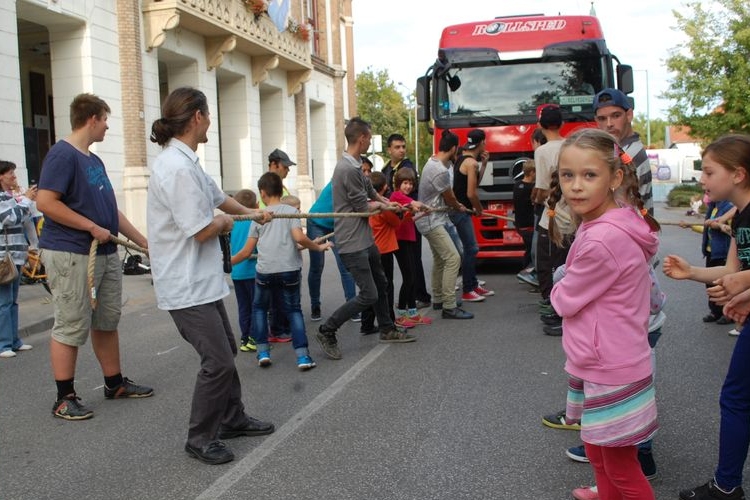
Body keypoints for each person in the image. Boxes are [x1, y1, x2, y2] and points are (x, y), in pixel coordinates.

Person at [148, 86, 274, 465]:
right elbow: (203, 227)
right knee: (217, 361)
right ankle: (200, 438)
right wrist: (225, 222)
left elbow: (220, 197)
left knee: (227, 352)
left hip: (200, 281)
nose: (211, 123)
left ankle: (232, 418)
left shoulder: (188, 162)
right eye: (209, 115)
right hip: (184, 285)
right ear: (198, 117)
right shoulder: (175, 167)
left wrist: (253, 213)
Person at [549, 128, 661, 500]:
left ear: (615, 178)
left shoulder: (601, 238)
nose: (576, 186)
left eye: (589, 175)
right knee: (598, 450)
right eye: (568, 175)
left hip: (610, 363)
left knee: (620, 464)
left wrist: (560, 279)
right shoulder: (613, 221)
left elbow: (564, 300)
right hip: (609, 356)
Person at [36, 93, 153, 420]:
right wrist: (89, 226)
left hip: (104, 252)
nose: (107, 126)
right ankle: (64, 397)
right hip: (71, 253)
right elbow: (45, 202)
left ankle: (114, 383)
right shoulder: (63, 155)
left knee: (107, 320)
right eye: (105, 120)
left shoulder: (93, 160)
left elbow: (110, 211)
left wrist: (142, 242)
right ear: (91, 119)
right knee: (70, 323)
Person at [663, 134, 750, 500]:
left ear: (738, 174)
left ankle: (727, 486)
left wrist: (743, 287)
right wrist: (693, 273)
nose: (702, 179)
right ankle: (726, 483)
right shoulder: (741, 215)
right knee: (737, 397)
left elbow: (741, 274)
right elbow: (731, 268)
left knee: (735, 398)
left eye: (710, 171)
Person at [316, 117, 416, 360]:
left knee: (381, 284)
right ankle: (327, 330)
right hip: (351, 242)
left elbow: (370, 192)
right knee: (369, 294)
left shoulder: (356, 164)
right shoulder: (346, 168)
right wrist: (387, 207)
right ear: (361, 139)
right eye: (369, 139)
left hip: (365, 239)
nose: (370, 142)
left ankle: (387, 328)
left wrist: (387, 201)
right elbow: (362, 204)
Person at [246, 172, 332, 369]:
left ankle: (262, 353)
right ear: (280, 189)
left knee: (259, 309)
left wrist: (229, 261)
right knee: (294, 310)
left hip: (265, 270)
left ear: (262, 193)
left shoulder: (258, 216)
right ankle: (302, 357)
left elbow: (249, 249)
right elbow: (299, 238)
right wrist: (318, 247)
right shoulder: (291, 211)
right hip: (289, 269)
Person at [416, 129, 473, 320]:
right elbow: (450, 199)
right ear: (454, 148)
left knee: (441, 259)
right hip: (432, 221)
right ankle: (449, 306)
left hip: (429, 219)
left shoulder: (431, 161)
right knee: (453, 258)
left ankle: (439, 298)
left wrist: (456, 205)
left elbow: (448, 199)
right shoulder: (440, 171)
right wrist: (459, 207)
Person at [533, 105, 573, 335]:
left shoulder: (543, 151)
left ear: (540, 125)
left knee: (547, 265)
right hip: (575, 214)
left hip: (553, 216)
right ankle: (564, 309)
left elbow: (541, 187)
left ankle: (556, 310)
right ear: (562, 124)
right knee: (569, 265)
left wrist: (535, 199)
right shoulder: (571, 145)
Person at [381, 133, 431, 309]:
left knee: (412, 267)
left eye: (403, 146)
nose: (401, 150)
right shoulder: (387, 170)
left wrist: (418, 209)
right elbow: (393, 196)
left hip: (408, 226)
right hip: (396, 231)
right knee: (404, 272)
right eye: (397, 147)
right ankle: (405, 307)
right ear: (389, 149)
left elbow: (410, 201)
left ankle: (416, 303)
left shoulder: (407, 166)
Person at [361, 171, 410, 332]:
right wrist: (401, 213)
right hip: (384, 249)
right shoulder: (384, 206)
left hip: (369, 248)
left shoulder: (364, 204)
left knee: (371, 287)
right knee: (386, 287)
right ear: (385, 187)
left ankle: (366, 323)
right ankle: (389, 321)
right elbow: (395, 223)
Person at [593, 88, 653, 215]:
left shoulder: (628, 155)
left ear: (629, 115)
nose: (609, 124)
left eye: (616, 115)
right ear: (596, 121)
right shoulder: (621, 149)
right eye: (602, 118)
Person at [451, 129, 495, 302]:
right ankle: (468, 289)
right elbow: (471, 193)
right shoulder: (471, 163)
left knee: (470, 248)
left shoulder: (462, 159)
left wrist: (484, 165)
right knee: (471, 248)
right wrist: (479, 209)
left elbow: (474, 182)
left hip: (459, 210)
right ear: (482, 143)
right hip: (462, 211)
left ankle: (474, 284)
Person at [306, 180, 356, 322]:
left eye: (367, 171)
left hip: (336, 225)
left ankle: (352, 307)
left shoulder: (359, 181)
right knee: (317, 266)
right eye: (363, 170)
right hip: (317, 222)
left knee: (346, 266)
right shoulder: (343, 179)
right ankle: (315, 305)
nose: (366, 173)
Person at [0, 160, 35, 357]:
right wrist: (26, 200)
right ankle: (3, 344)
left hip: (17, 255)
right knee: (4, 302)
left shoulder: (11, 196)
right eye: (10, 173)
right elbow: (9, 218)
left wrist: (24, 200)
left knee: (12, 301)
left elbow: (26, 217)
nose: (14, 175)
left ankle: (14, 340)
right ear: (1, 177)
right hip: (3, 257)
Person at [261, 148, 295, 342]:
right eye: (285, 166)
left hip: (287, 249)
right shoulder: (264, 191)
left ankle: (283, 325)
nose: (287, 171)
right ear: (273, 165)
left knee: (283, 296)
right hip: (273, 252)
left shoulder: (284, 190)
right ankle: (277, 329)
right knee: (274, 297)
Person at [390, 167, 432, 326]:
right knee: (408, 277)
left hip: (409, 239)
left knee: (413, 276)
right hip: (400, 241)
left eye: (410, 184)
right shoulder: (397, 196)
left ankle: (413, 313)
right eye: (405, 183)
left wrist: (422, 214)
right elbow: (415, 203)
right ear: (398, 184)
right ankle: (401, 314)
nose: (408, 186)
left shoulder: (405, 199)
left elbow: (408, 221)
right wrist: (422, 206)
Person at [229, 189, 260, 352]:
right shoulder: (254, 221)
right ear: (255, 205)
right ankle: (255, 337)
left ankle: (244, 338)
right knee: (257, 305)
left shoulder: (232, 222)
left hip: (236, 272)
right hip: (253, 271)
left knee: (243, 307)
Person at [513, 159, 536, 282]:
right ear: (532, 172)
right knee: (533, 250)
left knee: (528, 248)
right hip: (529, 224)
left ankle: (525, 271)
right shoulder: (532, 188)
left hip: (520, 223)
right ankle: (527, 272)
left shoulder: (517, 185)